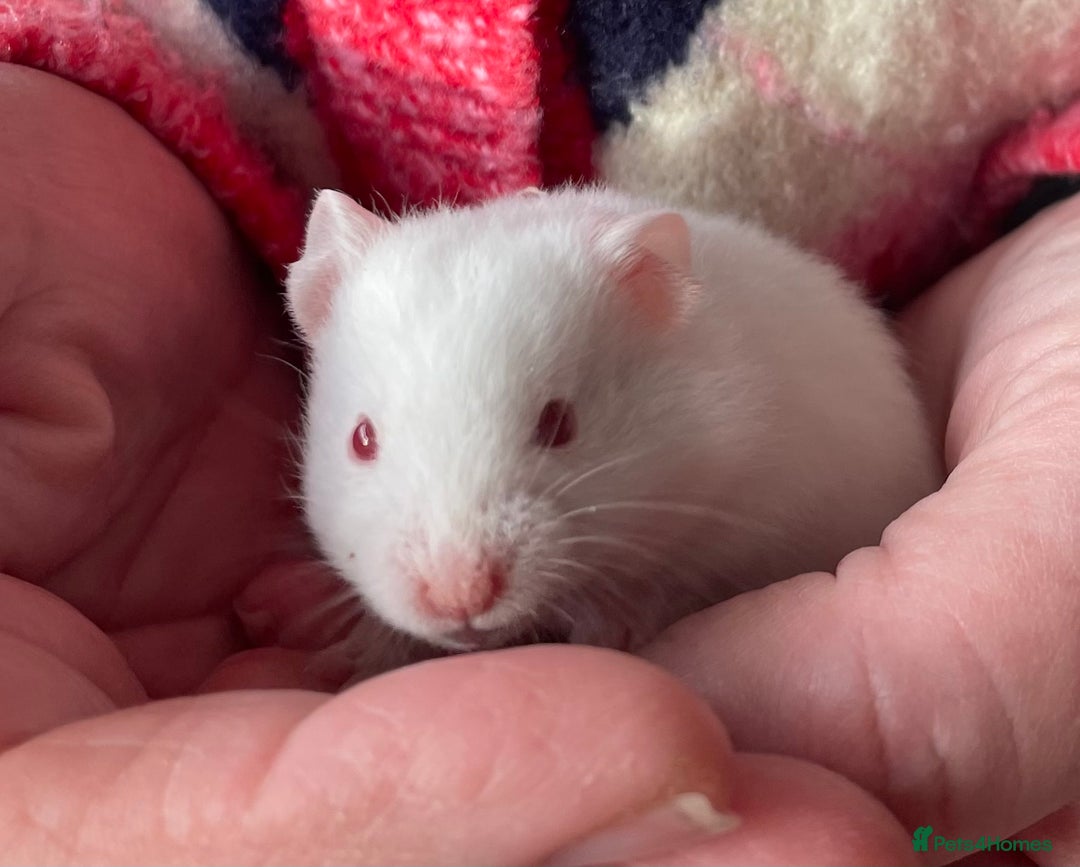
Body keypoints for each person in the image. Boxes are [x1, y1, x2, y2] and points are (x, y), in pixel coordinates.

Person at [1, 64, 1076, 865]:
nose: (458, 586)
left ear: (650, 292)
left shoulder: (656, 312)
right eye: (369, 443)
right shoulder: (376, 290)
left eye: (556, 429)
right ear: (317, 305)